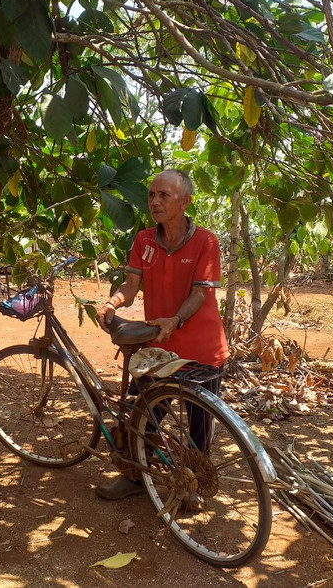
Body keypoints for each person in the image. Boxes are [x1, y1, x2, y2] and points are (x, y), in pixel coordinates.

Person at [94, 168, 228, 500]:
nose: (154, 201)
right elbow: (130, 284)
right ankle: (137, 474)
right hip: (159, 348)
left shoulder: (205, 242)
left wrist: (174, 320)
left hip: (202, 349)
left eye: (163, 195)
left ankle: (194, 483)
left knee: (199, 425)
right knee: (142, 413)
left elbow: (200, 293)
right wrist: (112, 302)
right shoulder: (143, 240)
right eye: (152, 194)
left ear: (185, 202)